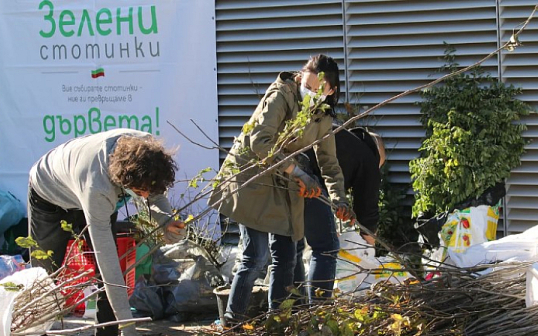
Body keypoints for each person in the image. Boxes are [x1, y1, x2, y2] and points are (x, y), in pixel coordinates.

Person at [208, 54, 355, 323]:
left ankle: (279, 322)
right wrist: (298, 172)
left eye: (317, 90)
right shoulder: (281, 95)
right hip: (252, 176)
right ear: (300, 77)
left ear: (331, 91)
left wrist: (339, 200)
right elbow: (259, 142)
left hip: (281, 180)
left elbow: (329, 163)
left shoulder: (322, 117)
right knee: (256, 255)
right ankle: (231, 322)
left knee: (287, 253)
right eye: (307, 86)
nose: (309, 92)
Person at [28, 129, 186, 336]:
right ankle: (33, 331)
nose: (145, 195)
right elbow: (107, 262)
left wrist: (166, 221)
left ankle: (108, 332)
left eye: (148, 189)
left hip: (85, 185)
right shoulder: (99, 187)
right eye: (139, 192)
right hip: (49, 193)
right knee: (46, 276)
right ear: (122, 180)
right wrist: (129, 327)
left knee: (107, 275)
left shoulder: (147, 153)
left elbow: (154, 193)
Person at [295, 127, 386, 303]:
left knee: (294, 247)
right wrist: (368, 253)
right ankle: (318, 312)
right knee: (326, 248)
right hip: (310, 182)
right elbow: (368, 211)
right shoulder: (369, 159)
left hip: (293, 172)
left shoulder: (346, 140)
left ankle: (295, 307)